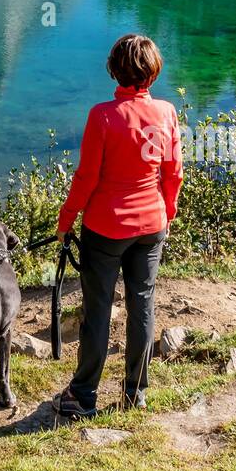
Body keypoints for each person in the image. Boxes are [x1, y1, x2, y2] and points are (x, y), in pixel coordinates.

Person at [51, 33, 183, 419]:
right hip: (151, 225)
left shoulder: (103, 116)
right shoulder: (167, 113)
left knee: (98, 311)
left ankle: (83, 396)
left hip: (106, 229)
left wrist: (65, 220)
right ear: (152, 73)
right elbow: (173, 173)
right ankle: (135, 392)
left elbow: (86, 179)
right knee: (143, 306)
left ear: (115, 70)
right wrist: (167, 214)